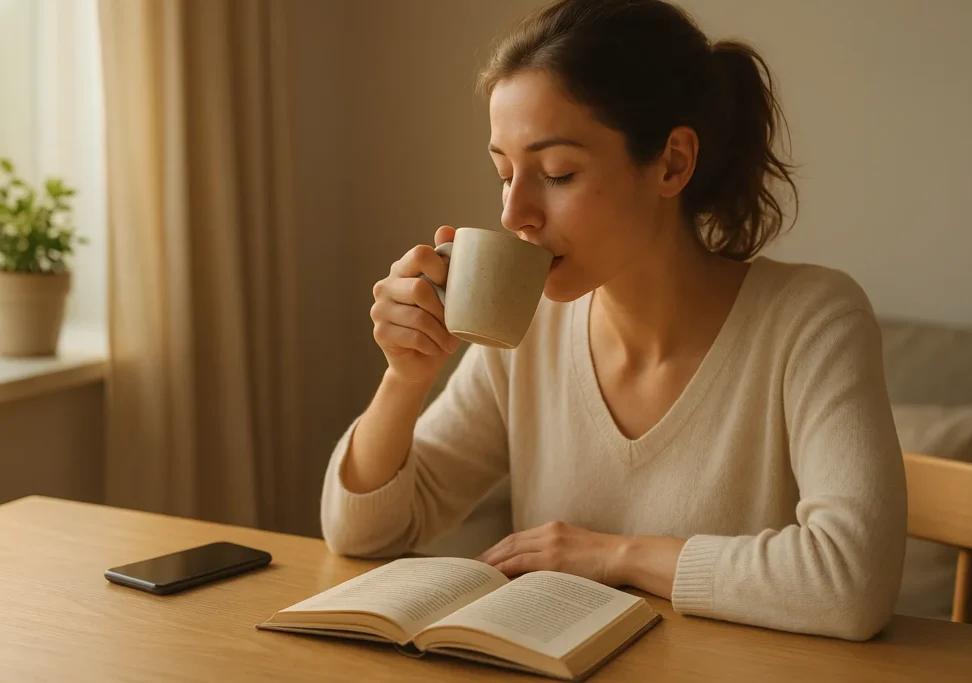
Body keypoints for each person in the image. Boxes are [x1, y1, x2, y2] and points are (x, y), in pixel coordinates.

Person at [321, 0, 907, 641]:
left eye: (557, 173)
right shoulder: (528, 326)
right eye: (504, 174)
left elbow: (851, 584)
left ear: (672, 163)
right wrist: (406, 377)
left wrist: (613, 554)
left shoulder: (813, 323)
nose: (515, 213)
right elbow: (361, 532)